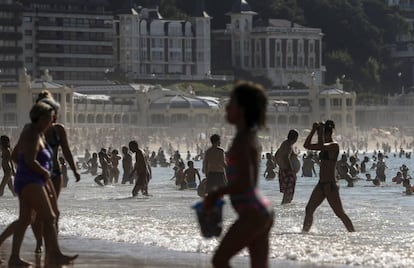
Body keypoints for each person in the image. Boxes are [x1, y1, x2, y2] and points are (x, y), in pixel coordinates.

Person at [204, 81, 274, 268]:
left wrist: (215, 194)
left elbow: (245, 182)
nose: (226, 107)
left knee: (219, 260)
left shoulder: (242, 140)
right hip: (261, 210)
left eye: (231, 103)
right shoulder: (248, 136)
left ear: (242, 109)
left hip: (252, 213)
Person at [8, 102, 77, 266]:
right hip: (32, 181)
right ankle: (56, 254)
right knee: (50, 216)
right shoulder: (32, 134)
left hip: (30, 179)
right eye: (47, 119)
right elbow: (29, 160)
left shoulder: (36, 133)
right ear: (39, 119)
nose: (50, 123)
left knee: (25, 219)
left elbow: (18, 157)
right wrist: (42, 172)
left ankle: (14, 257)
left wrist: (30, 169)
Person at [302, 120, 355, 233]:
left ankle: (353, 234)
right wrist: (313, 131)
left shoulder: (334, 146)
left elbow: (321, 146)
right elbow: (306, 145)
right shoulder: (324, 145)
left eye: (323, 134)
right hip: (321, 184)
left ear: (328, 134)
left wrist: (320, 132)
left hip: (330, 185)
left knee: (339, 213)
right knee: (309, 209)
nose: (321, 137)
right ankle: (304, 233)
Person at [275, 129, 299, 204]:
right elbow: (286, 157)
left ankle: (284, 211)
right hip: (288, 172)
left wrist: (280, 165)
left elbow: (276, 155)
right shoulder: (288, 145)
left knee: (288, 195)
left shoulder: (285, 143)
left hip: (284, 171)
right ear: (295, 137)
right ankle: (285, 211)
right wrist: (291, 170)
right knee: (288, 195)